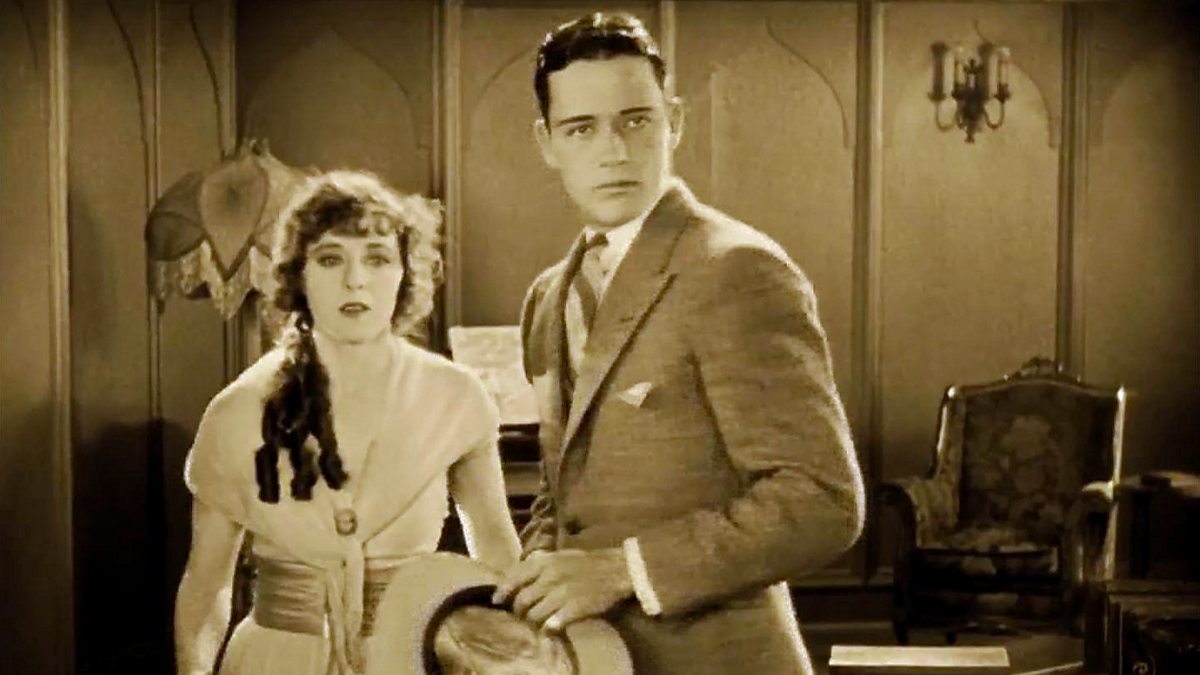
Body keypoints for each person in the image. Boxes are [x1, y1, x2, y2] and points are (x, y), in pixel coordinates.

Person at [492, 12, 866, 675]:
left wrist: (622, 569)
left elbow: (822, 499)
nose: (614, 151)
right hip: (589, 660)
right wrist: (542, 573)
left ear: (676, 122)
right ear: (546, 142)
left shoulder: (736, 270)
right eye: (581, 128)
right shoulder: (547, 298)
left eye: (636, 121)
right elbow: (561, 494)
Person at [174, 170, 521, 675]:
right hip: (276, 660)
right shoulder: (239, 410)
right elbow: (207, 585)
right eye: (330, 259)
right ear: (299, 275)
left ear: (405, 275)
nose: (355, 281)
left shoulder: (456, 397)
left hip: (406, 659)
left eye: (377, 259)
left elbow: (496, 550)